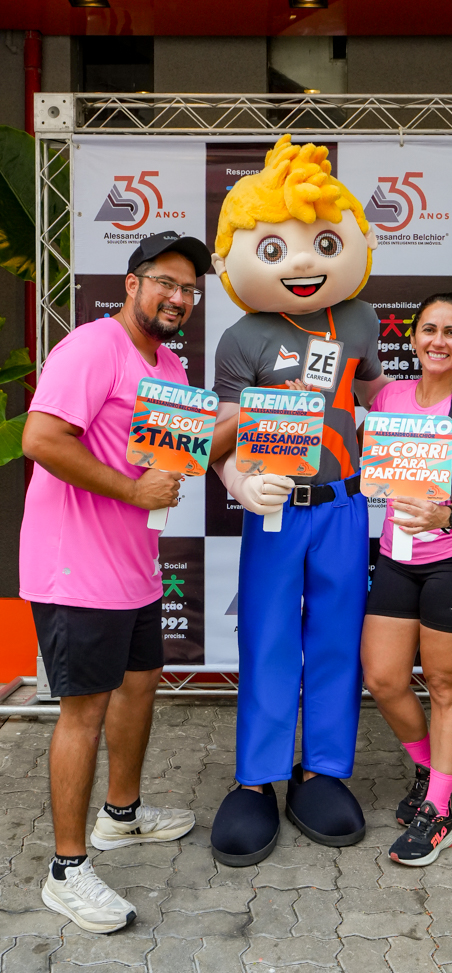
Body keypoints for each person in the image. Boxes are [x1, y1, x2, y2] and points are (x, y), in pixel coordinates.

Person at [20, 231, 234, 934]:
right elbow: (42, 439)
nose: (178, 297)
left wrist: (253, 417)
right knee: (83, 711)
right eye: (166, 282)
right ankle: (67, 869)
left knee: (140, 685)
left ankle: (121, 816)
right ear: (133, 282)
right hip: (73, 567)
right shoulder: (90, 346)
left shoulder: (169, 363)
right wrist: (130, 491)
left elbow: (183, 455)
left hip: (133, 571)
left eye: (189, 289)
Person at [208, 135, 390, 865]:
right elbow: (217, 438)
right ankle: (255, 780)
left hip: (345, 507)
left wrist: (402, 444)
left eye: (321, 242)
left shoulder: (362, 320)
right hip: (275, 510)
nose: (308, 262)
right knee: (268, 638)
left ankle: (322, 771)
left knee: (337, 640)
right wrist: (238, 484)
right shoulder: (239, 337)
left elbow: (375, 397)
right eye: (279, 249)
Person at [362, 293, 452, 866]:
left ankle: (439, 810)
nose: (438, 341)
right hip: (397, 555)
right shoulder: (390, 396)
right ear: (413, 338)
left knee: (444, 685)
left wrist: (444, 515)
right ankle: (427, 765)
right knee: (384, 678)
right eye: (428, 330)